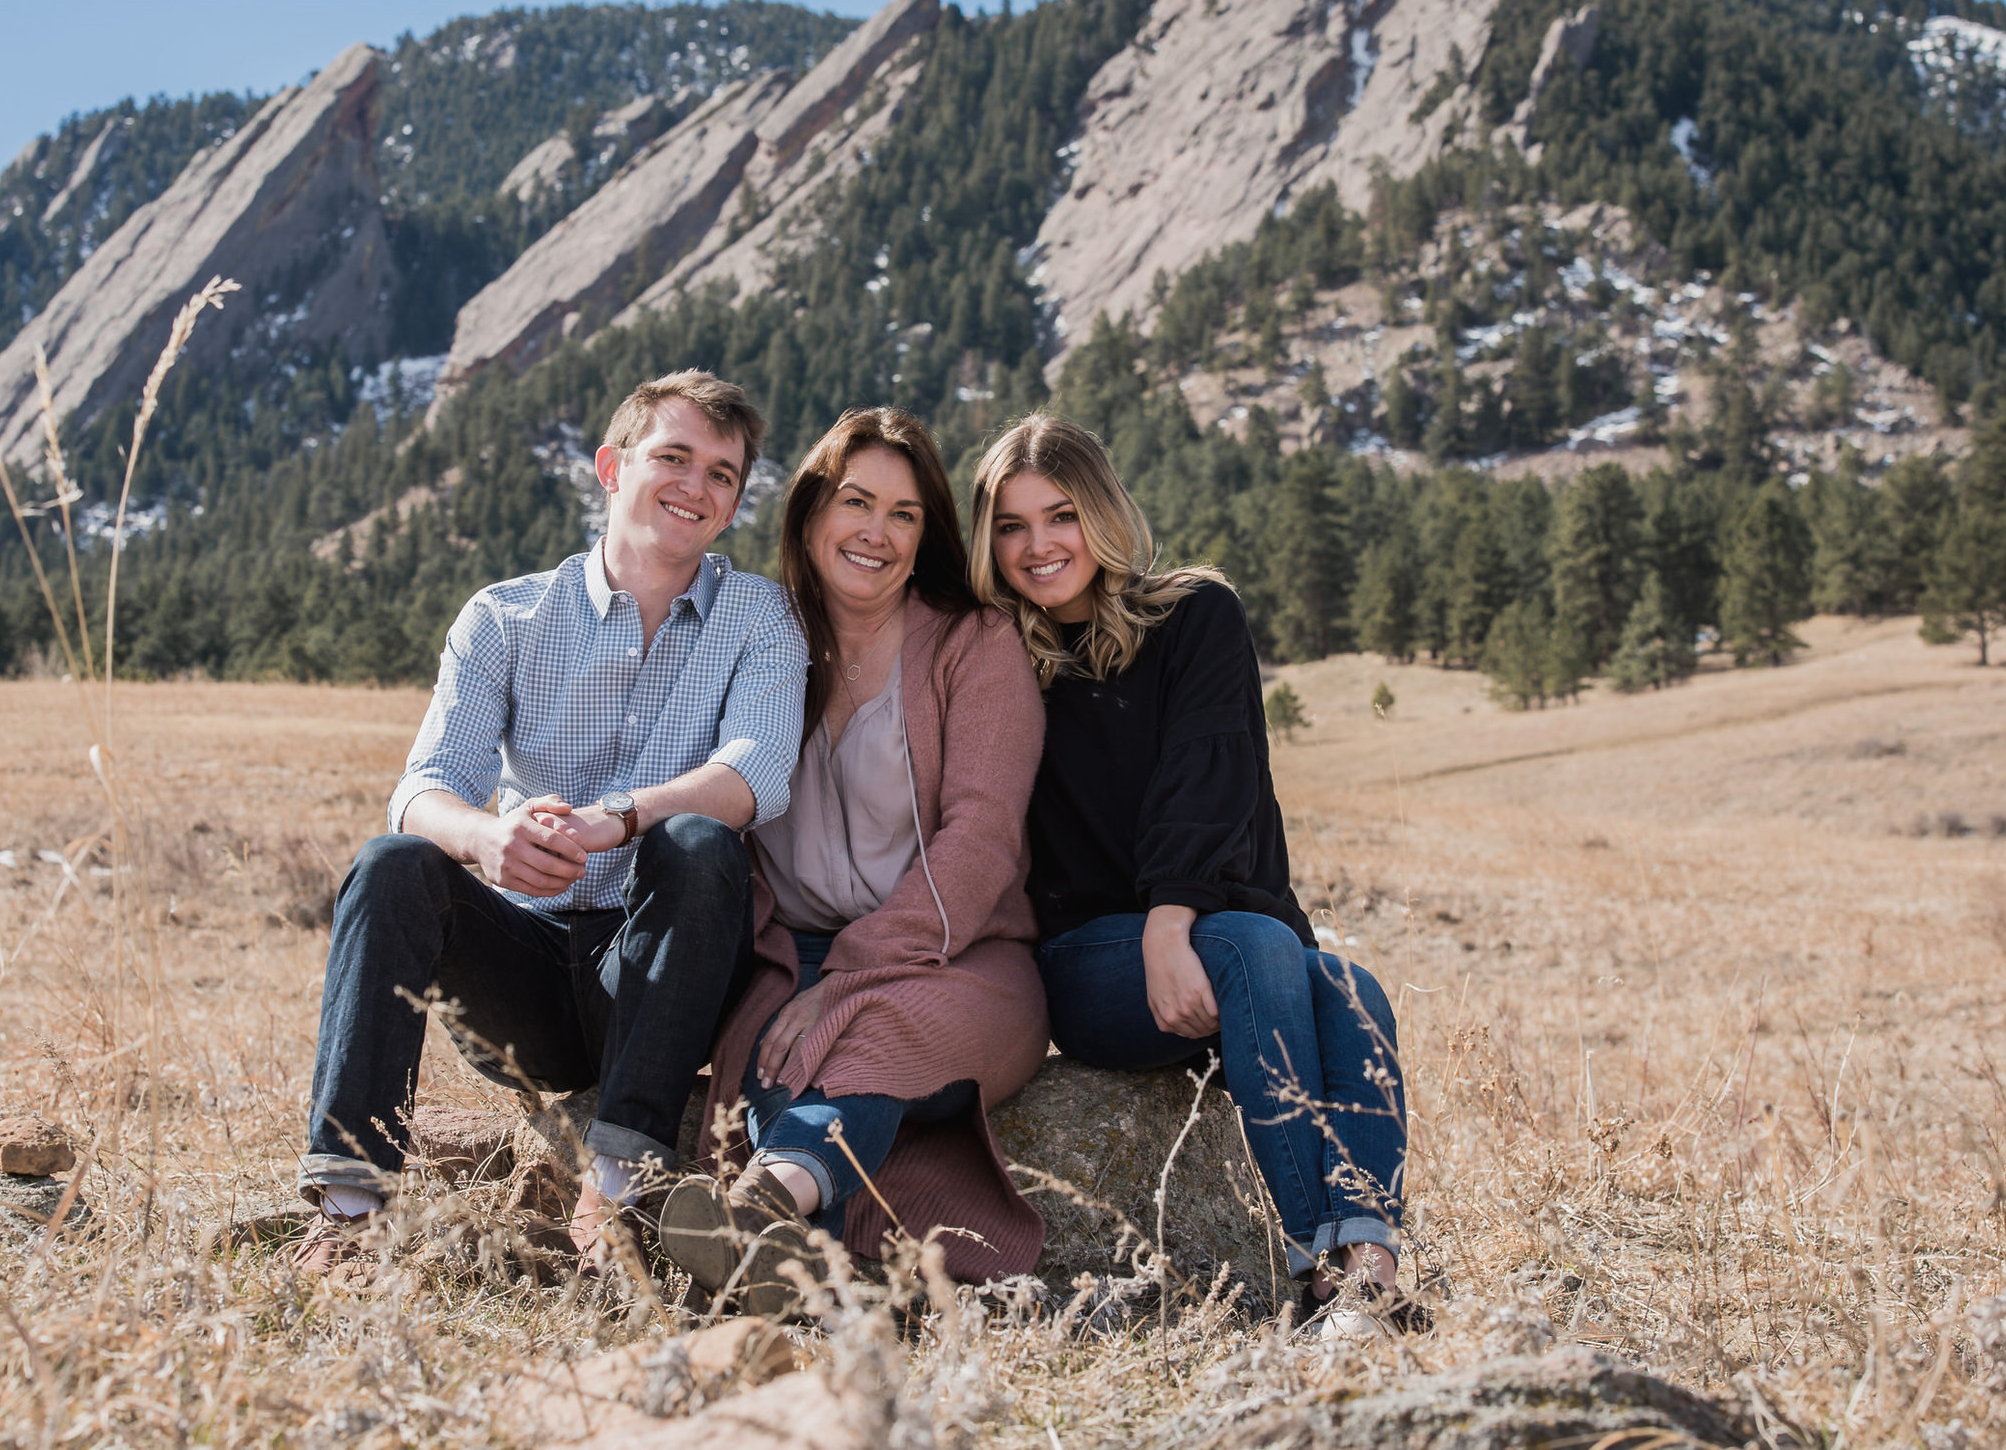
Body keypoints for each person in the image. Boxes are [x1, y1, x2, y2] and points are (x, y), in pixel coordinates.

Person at [295, 370, 808, 1273]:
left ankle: (618, 1201)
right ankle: (348, 1212)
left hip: (664, 964)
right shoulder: (505, 615)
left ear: (734, 501)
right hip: (522, 972)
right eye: (674, 457)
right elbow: (422, 789)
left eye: (722, 474)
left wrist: (619, 818)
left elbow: (756, 771)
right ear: (612, 466)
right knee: (391, 863)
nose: (696, 486)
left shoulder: (759, 615)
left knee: (697, 842)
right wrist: (486, 840)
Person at [969, 413, 1426, 1338]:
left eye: (1059, 515)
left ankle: (1370, 1270)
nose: (1038, 545)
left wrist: (1171, 921)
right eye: (1010, 526)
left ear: (1100, 511)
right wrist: (1165, 938)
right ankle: (1314, 1267)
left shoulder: (1194, 615)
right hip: (1088, 964)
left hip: (1201, 933)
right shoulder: (992, 653)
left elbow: (1209, 775)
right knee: (1256, 945)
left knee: (1353, 986)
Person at [658, 407, 1050, 1314]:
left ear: (928, 536)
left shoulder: (974, 645)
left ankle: (765, 1202)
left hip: (964, 956)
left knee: (867, 1032)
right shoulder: (765, 638)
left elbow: (983, 837)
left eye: (905, 514)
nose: (876, 532)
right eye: (856, 501)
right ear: (808, 516)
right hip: (786, 948)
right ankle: (806, 1275)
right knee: (772, 1050)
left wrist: (847, 972)